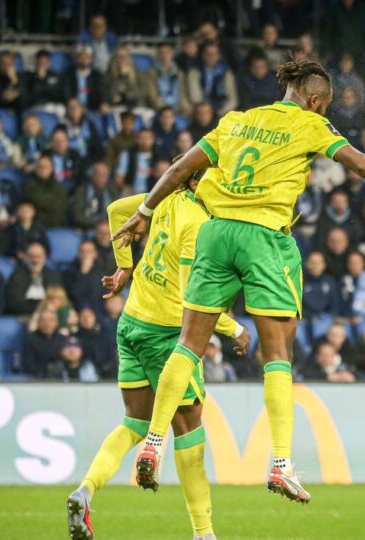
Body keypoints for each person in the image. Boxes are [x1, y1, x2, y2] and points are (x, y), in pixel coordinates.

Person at [113, 58, 365, 504]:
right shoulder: (311, 125)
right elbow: (363, 165)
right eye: (325, 107)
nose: (325, 115)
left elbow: (177, 172)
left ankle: (155, 442)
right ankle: (280, 463)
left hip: (214, 234)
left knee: (187, 345)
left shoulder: (237, 120)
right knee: (277, 354)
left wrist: (142, 213)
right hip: (264, 239)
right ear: (315, 100)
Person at [66, 166, 251, 540]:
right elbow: (190, 298)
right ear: (196, 182)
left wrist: (124, 267)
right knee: (189, 428)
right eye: (217, 178)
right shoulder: (198, 224)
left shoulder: (166, 197)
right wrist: (235, 328)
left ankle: (85, 490)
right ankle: (204, 533)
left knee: (134, 421)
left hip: (131, 322)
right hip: (165, 336)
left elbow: (118, 211)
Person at [5, 241, 62, 316]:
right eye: (32, 256)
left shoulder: (53, 275)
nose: (35, 260)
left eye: (39, 256)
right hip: (25, 315)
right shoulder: (17, 275)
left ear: (45, 258)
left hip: (50, 315)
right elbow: (14, 304)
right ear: (26, 257)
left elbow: (59, 299)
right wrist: (40, 308)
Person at [23, 153, 69, 228]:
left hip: (57, 224)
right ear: (35, 169)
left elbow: (60, 206)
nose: (43, 169)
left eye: (46, 167)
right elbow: (37, 200)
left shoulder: (59, 186)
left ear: (52, 169)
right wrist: (51, 200)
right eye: (40, 167)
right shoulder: (28, 185)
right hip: (36, 225)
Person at [63, 240, 105, 314]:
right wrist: (83, 273)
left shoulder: (103, 273)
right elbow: (75, 296)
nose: (85, 255)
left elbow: (98, 295)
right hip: (76, 311)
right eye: (82, 252)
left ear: (95, 254)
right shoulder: (69, 272)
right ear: (78, 254)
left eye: (89, 252)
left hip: (98, 312)